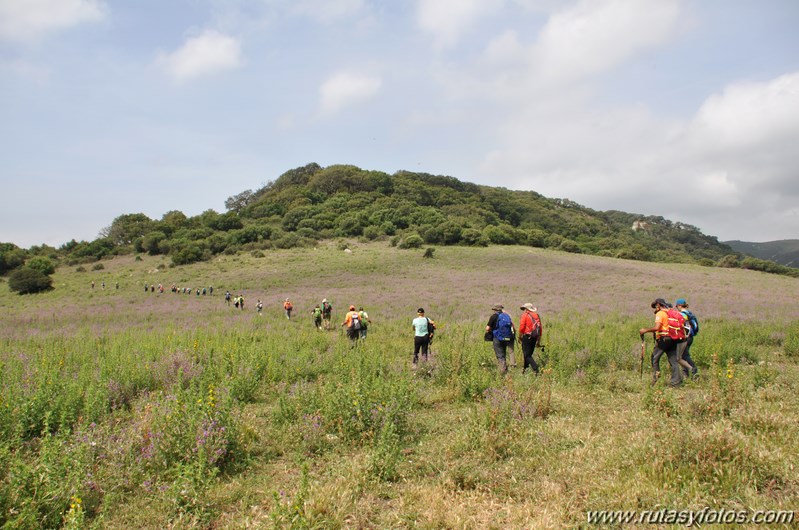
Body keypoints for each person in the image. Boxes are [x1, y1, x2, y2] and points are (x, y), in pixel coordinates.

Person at [639, 298, 683, 387]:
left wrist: (645, 330)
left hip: (663, 339)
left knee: (654, 358)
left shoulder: (660, 313)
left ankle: (656, 380)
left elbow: (657, 327)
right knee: (673, 360)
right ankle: (676, 383)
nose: (655, 308)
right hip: (673, 338)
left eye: (655, 306)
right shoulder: (670, 312)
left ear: (658, 305)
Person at [675, 298, 699, 377]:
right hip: (690, 337)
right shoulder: (689, 313)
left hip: (685, 337)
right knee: (684, 356)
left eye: (677, 306)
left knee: (683, 356)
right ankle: (686, 374)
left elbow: (684, 326)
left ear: (679, 305)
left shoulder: (682, 314)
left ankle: (694, 371)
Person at [486, 304, 513, 374]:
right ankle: (505, 368)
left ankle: (502, 371)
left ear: (495, 310)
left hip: (497, 337)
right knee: (503, 353)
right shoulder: (506, 316)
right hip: (506, 337)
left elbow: (487, 328)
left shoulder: (494, 316)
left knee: (499, 355)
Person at [518, 303, 542, 374]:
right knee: (528, 354)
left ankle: (535, 368)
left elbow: (522, 327)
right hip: (535, 337)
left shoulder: (525, 315)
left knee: (527, 355)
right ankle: (525, 370)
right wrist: (538, 340)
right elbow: (540, 328)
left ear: (526, 309)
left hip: (527, 336)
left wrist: (520, 336)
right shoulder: (536, 316)